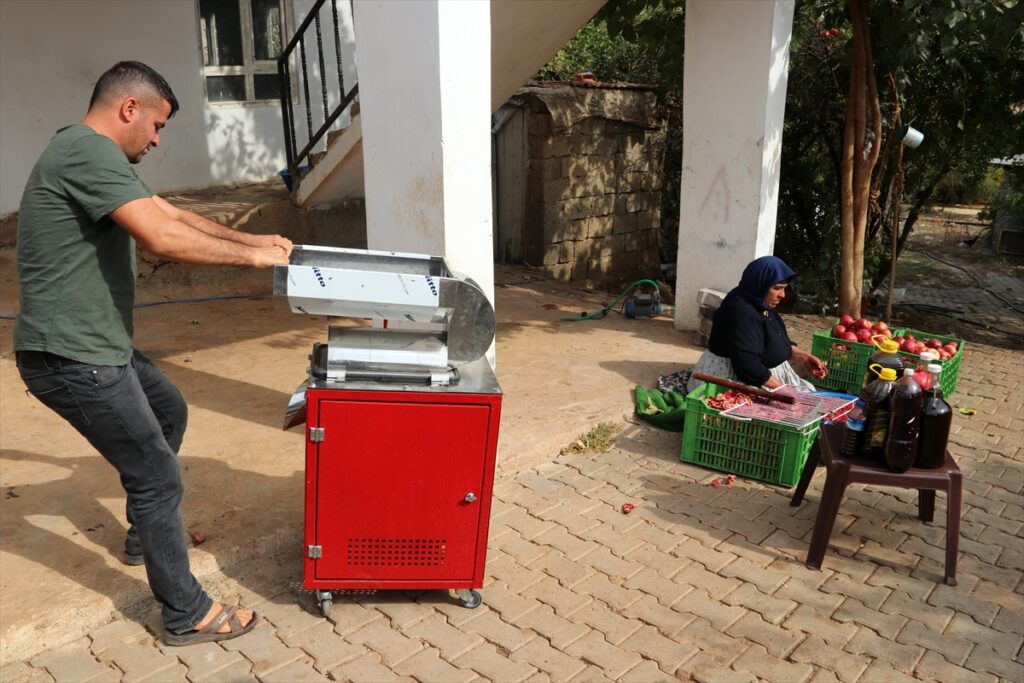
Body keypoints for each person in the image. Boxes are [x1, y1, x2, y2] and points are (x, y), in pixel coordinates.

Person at [13, 61, 292, 645]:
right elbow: (160, 238)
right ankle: (186, 611)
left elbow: (169, 213)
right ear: (129, 109)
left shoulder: (95, 155)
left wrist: (253, 239)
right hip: (71, 356)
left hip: (97, 345)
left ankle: (148, 536)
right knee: (156, 475)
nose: (158, 139)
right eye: (158, 125)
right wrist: (254, 263)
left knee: (168, 413)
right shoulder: (86, 153)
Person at [686, 255, 827, 394]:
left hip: (764, 376)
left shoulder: (761, 303)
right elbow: (747, 364)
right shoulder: (740, 311)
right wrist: (782, 390)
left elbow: (776, 341)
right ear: (761, 284)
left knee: (809, 394)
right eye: (777, 288)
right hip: (734, 378)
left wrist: (805, 358)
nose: (783, 295)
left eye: (784, 288)